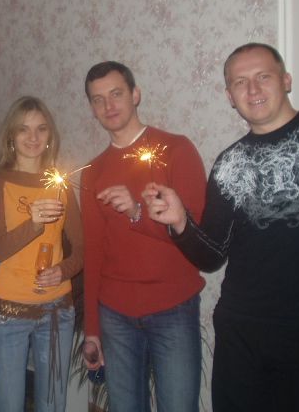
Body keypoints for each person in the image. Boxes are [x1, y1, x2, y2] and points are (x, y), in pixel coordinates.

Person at [142, 42, 299, 411]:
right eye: (240, 82)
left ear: (286, 80)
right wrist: (181, 221)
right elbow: (212, 256)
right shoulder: (229, 164)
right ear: (229, 96)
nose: (252, 89)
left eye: (263, 76)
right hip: (241, 334)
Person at [80, 61, 207, 412]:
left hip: (173, 309)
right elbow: (93, 252)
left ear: (135, 95)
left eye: (116, 94)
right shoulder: (93, 172)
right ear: (92, 108)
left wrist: (137, 213)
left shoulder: (176, 150)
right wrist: (92, 329)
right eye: (98, 99)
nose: (109, 105)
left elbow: (198, 234)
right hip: (115, 314)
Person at [0, 96, 83, 412]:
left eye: (41, 128)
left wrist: (63, 270)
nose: (33, 137)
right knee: (9, 405)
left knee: (52, 405)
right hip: (8, 312)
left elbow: (83, 248)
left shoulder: (60, 185)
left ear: (50, 135)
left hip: (56, 312)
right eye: (23, 129)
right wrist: (35, 222)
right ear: (10, 135)